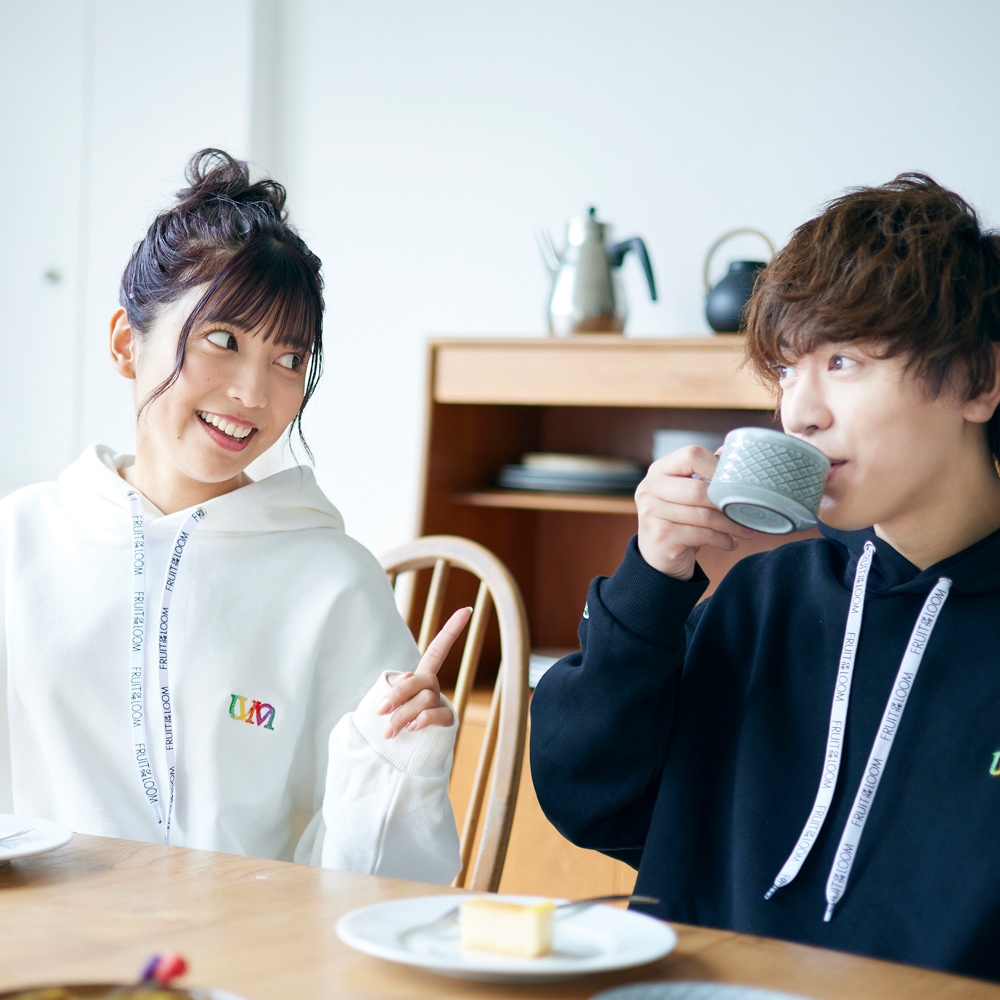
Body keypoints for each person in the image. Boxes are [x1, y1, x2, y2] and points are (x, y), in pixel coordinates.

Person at [529, 173, 1000, 980]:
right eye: (785, 371)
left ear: (979, 382)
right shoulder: (761, 600)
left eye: (843, 360)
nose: (800, 413)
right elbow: (588, 798)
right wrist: (653, 579)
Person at [0, 149, 468, 884]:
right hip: (38, 932)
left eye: (289, 360)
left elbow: (376, 883)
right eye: (224, 341)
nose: (255, 392)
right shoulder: (20, 540)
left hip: (246, 945)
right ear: (126, 344)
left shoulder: (335, 581)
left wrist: (396, 765)